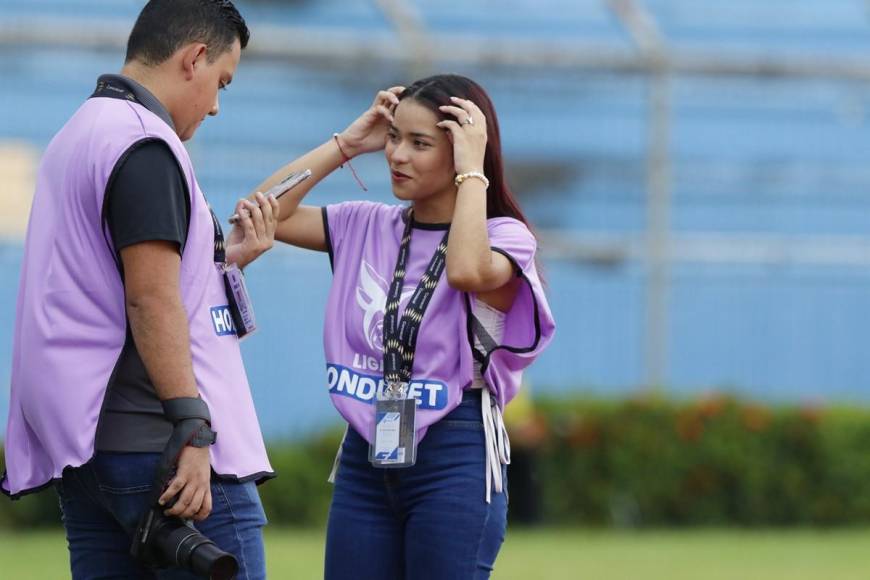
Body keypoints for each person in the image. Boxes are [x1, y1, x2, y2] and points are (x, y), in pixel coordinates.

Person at [1, 1, 278, 578]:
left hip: (87, 450)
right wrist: (192, 427)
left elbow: (116, 278)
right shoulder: (145, 144)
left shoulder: (77, 132)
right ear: (194, 58)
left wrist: (225, 259)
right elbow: (149, 296)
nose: (217, 105)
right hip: (162, 448)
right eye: (220, 83)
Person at [251, 74, 556, 579]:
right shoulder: (365, 223)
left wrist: (472, 174)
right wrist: (347, 144)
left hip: (456, 449)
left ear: (461, 150)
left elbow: (465, 271)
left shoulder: (507, 237)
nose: (397, 155)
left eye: (420, 144)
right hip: (366, 450)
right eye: (394, 138)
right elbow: (260, 213)